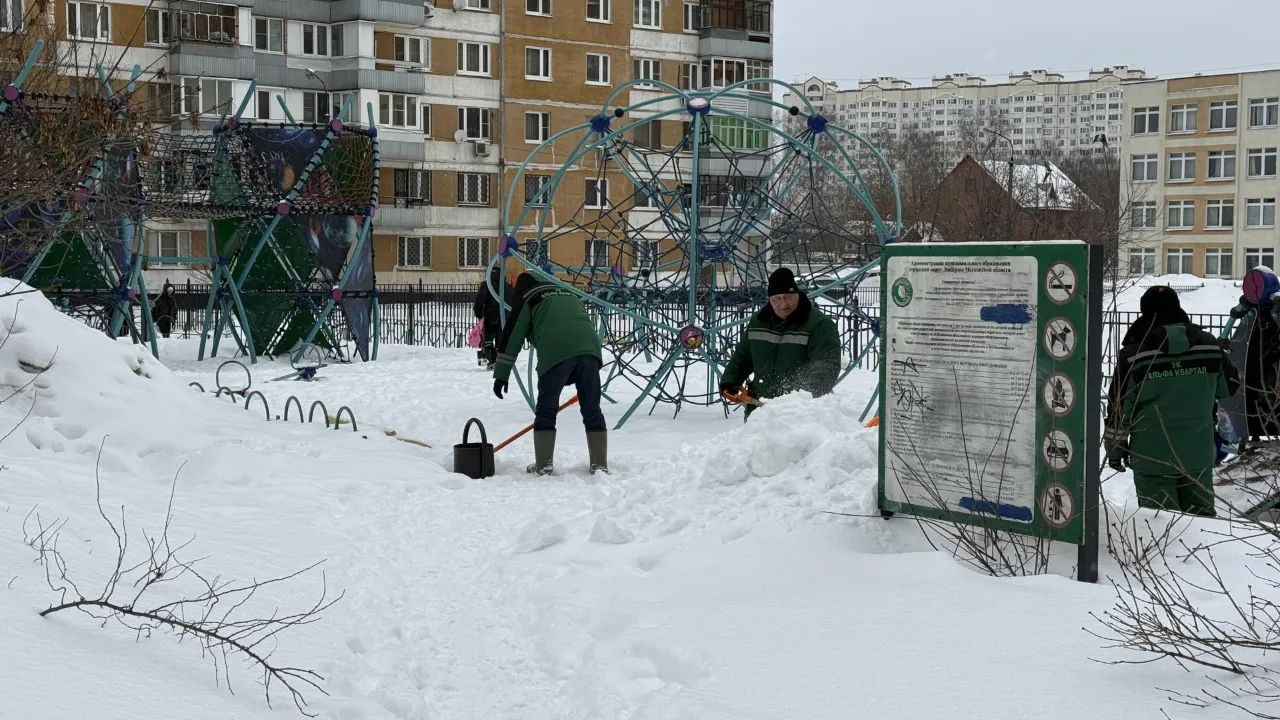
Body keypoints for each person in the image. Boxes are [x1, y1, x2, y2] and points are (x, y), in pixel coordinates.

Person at [1105, 286, 1240, 516]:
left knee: (1162, 531)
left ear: (1144, 312)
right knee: (1202, 526)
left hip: (1152, 457)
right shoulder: (1208, 345)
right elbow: (1229, 387)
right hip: (1197, 455)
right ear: (1178, 308)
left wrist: (1115, 452)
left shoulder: (1134, 355)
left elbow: (1119, 411)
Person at [492, 272, 607, 475]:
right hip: (590, 349)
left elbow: (512, 337)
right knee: (592, 408)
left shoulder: (529, 298)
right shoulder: (568, 293)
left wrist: (501, 374)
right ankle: (599, 464)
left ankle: (543, 465)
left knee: (546, 408)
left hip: (556, 352)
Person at [718, 268, 841, 417]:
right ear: (770, 300)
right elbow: (743, 357)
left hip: (804, 413)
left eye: (787, 297)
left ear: (797, 294)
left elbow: (826, 366)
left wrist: (794, 396)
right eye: (777, 299)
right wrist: (730, 380)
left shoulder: (819, 324)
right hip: (760, 410)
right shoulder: (758, 322)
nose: (783, 304)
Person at [473, 266, 512, 370]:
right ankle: (501, 362)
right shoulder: (508, 286)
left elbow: (480, 300)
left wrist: (479, 314)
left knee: (488, 339)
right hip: (506, 317)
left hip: (491, 317)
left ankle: (490, 360)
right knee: (501, 339)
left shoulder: (487, 285)